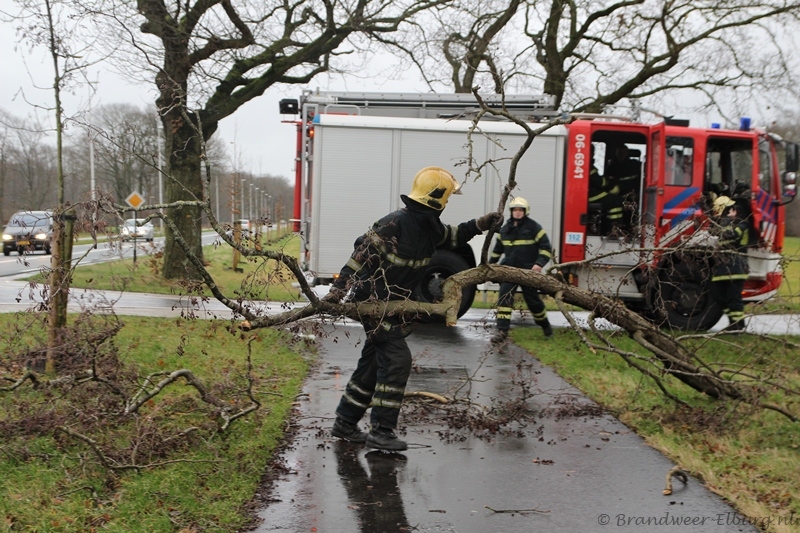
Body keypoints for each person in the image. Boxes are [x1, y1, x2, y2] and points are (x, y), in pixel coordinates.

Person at [323, 166, 503, 451]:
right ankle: (382, 430)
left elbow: (454, 236)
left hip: (395, 306)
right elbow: (359, 257)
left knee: (372, 364)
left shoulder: (429, 228)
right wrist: (337, 291)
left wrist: (480, 224)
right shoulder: (393, 224)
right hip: (373, 304)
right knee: (397, 361)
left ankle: (345, 423)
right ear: (439, 198)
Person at [488, 197, 553, 344]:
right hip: (509, 271)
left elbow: (546, 248)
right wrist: (489, 266)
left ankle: (546, 327)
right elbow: (497, 251)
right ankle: (502, 331)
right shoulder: (505, 229)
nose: (517, 213)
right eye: (515, 210)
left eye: (520, 210)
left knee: (533, 302)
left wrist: (539, 264)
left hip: (528, 272)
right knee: (504, 300)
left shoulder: (534, 227)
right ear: (511, 211)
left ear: (525, 211)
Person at [709, 196, 750, 332]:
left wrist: (727, 220)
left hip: (736, 269)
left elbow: (731, 235)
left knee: (734, 299)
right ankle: (734, 323)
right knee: (719, 296)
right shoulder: (725, 225)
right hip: (721, 269)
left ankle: (738, 326)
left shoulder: (742, 225)